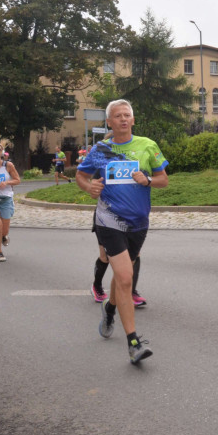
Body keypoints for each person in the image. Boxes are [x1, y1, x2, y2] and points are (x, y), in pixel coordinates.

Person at [76, 99, 168, 364]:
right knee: (126, 277)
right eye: (118, 116)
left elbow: (163, 180)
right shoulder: (101, 149)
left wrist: (148, 179)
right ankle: (134, 343)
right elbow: (82, 175)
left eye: (127, 115)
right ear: (109, 122)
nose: (123, 119)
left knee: (122, 276)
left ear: (133, 120)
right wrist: (88, 187)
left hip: (139, 222)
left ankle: (110, 308)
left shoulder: (147, 146)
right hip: (109, 220)